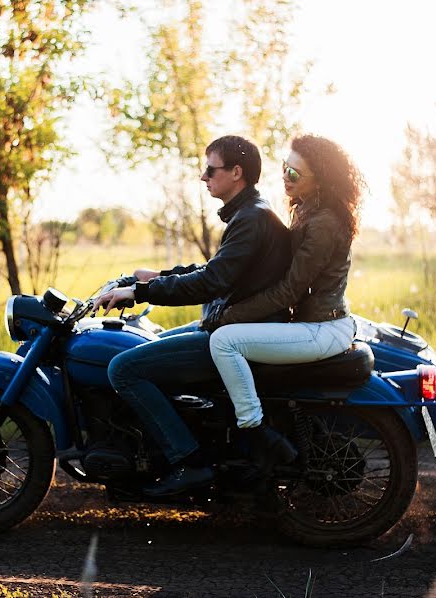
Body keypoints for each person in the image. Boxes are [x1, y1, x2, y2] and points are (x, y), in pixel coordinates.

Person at [96, 135, 291, 497]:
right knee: (149, 344)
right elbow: (219, 271)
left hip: (234, 334)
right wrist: (155, 276)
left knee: (123, 369)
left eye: (210, 169)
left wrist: (139, 293)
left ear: (236, 172)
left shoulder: (251, 219)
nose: (204, 177)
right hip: (228, 324)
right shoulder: (250, 213)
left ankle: (189, 461)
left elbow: (212, 281)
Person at [205, 133, 364, 481]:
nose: (285, 178)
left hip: (320, 328)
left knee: (224, 341)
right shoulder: (309, 209)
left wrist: (227, 317)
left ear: (319, 179)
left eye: (294, 174)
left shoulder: (323, 223)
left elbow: (290, 290)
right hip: (314, 323)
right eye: (284, 169)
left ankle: (255, 433)